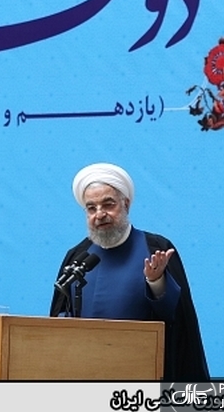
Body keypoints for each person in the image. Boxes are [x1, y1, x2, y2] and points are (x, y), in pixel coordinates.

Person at [50, 162, 210, 381]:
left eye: (108, 205)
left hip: (141, 375)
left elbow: (176, 319)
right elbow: (61, 314)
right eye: (91, 208)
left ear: (125, 204)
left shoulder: (155, 248)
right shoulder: (77, 256)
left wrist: (156, 281)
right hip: (85, 372)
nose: (100, 214)